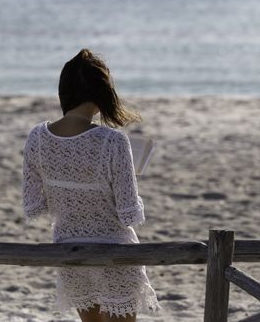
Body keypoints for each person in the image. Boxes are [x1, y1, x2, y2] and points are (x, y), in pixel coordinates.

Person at [21, 49, 161, 322]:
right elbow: (129, 214)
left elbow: (34, 206)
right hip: (113, 252)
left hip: (70, 250)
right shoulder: (113, 141)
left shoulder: (37, 137)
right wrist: (127, 179)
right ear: (102, 93)